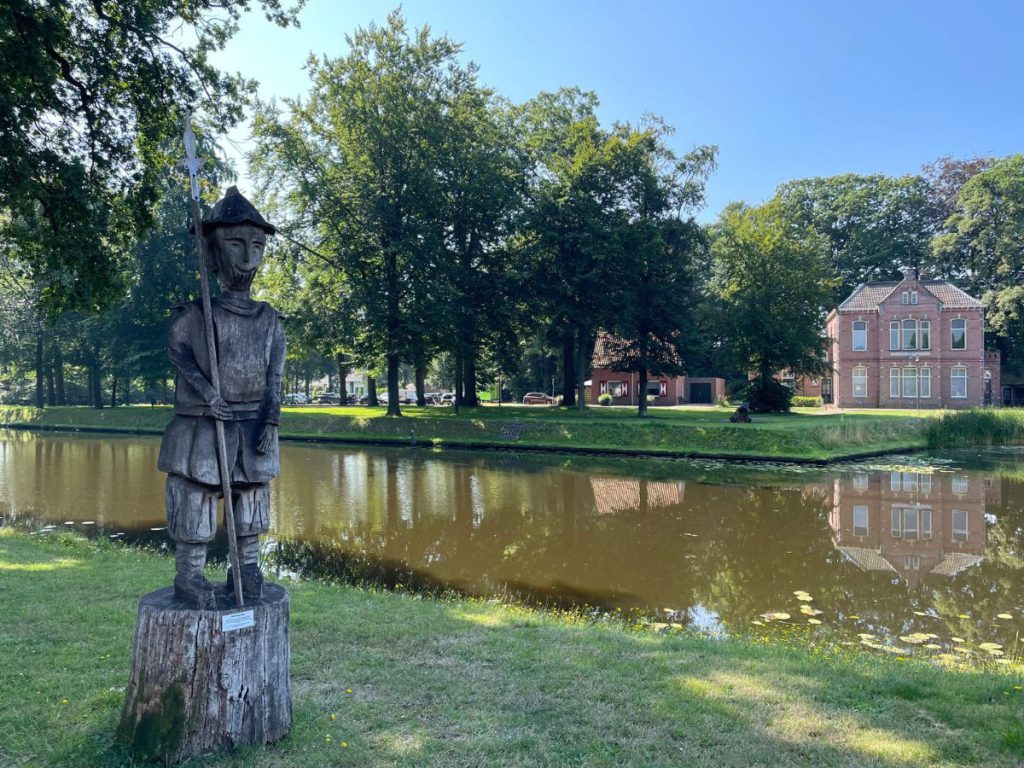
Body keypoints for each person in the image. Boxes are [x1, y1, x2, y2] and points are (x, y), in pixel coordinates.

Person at [157, 187, 285, 608]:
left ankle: (245, 566)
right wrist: (208, 393)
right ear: (212, 252)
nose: (247, 257)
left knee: (251, 497)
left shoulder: (269, 320)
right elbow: (179, 354)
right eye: (235, 244)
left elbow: (275, 375)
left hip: (251, 427)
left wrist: (270, 420)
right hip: (203, 422)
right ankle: (189, 574)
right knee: (195, 495)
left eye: (256, 246)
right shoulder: (196, 314)